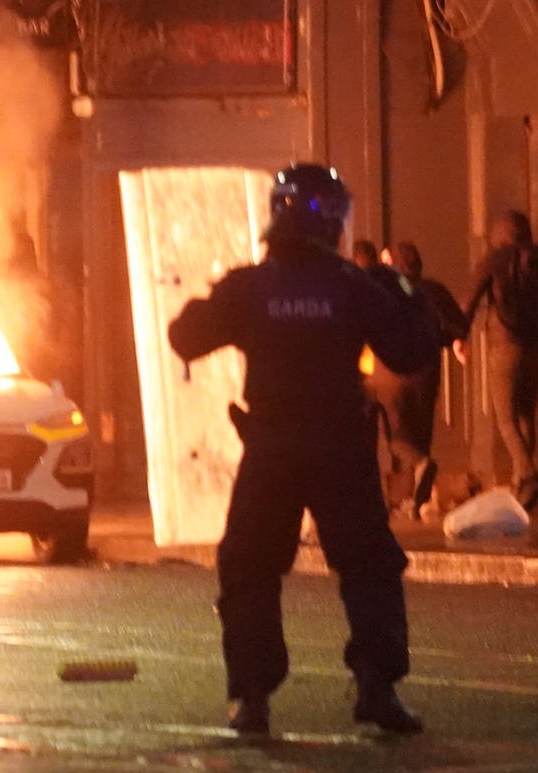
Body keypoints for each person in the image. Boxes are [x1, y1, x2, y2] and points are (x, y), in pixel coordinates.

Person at [168, 163, 435, 737]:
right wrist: (405, 289)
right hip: (341, 447)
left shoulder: (248, 287)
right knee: (368, 565)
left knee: (249, 567)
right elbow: (412, 350)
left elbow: (185, 337)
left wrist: (207, 300)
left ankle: (253, 697)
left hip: (272, 447)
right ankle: (377, 687)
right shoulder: (355, 285)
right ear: (336, 220)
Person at [461, 210, 538, 511]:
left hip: (505, 344)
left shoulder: (495, 259)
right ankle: (523, 490)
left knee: (506, 418)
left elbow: (469, 299)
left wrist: (458, 335)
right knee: (525, 414)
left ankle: (529, 476)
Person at [371, 242, 468, 519]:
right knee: (421, 431)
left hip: (392, 372)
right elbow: (457, 325)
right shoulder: (433, 290)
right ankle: (417, 500)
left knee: (397, 435)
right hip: (427, 369)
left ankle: (421, 467)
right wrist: (447, 341)